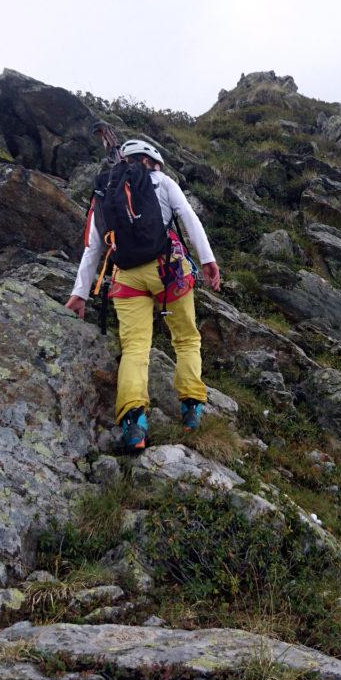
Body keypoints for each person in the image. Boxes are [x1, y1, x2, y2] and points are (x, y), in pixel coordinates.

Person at [65, 138, 221, 450]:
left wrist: (80, 293)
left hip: (127, 277)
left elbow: (94, 245)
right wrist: (207, 260)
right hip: (169, 271)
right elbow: (189, 217)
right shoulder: (163, 182)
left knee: (135, 348)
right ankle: (191, 408)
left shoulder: (105, 190)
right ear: (154, 162)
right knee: (187, 338)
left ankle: (134, 423)